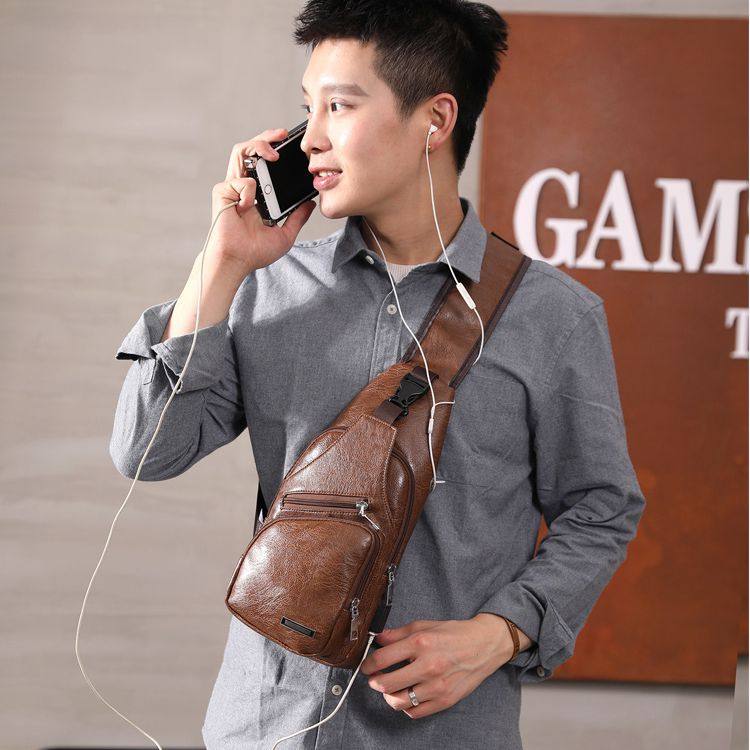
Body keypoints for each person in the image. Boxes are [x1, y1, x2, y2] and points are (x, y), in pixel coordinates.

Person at [109, 2, 646, 748]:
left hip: (441, 731)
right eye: (308, 108)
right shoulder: (266, 285)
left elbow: (601, 509)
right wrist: (221, 262)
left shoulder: (553, 316)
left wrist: (500, 633)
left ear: (436, 119)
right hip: (268, 726)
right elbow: (146, 451)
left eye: (340, 106)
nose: (311, 139)